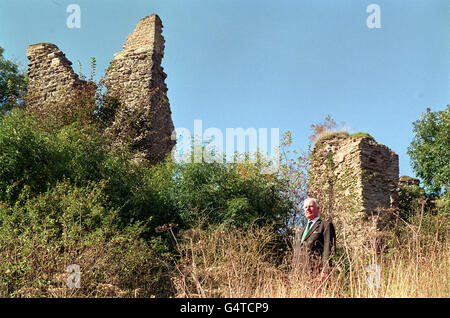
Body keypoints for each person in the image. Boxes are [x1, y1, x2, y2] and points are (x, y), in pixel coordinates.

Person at [292, 198, 336, 282]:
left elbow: (329, 249)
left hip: (316, 273)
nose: (307, 209)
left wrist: (325, 271)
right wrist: (293, 273)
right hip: (298, 276)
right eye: (305, 207)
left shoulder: (325, 225)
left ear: (318, 208)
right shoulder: (300, 231)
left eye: (311, 206)